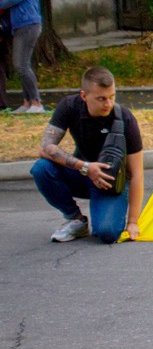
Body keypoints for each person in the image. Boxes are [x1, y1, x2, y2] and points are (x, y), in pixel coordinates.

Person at [31, 66, 145, 244]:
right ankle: (75, 219)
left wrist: (133, 222)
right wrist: (85, 167)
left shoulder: (125, 118)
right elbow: (45, 147)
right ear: (84, 96)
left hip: (110, 183)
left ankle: (106, 211)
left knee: (107, 234)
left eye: (111, 97)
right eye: (101, 99)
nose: (108, 103)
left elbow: (137, 174)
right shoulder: (69, 106)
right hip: (82, 174)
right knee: (41, 169)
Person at [0, 0, 44, 113]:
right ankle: (27, 103)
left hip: (29, 23)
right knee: (21, 65)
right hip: (18, 25)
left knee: (21, 64)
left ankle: (36, 102)